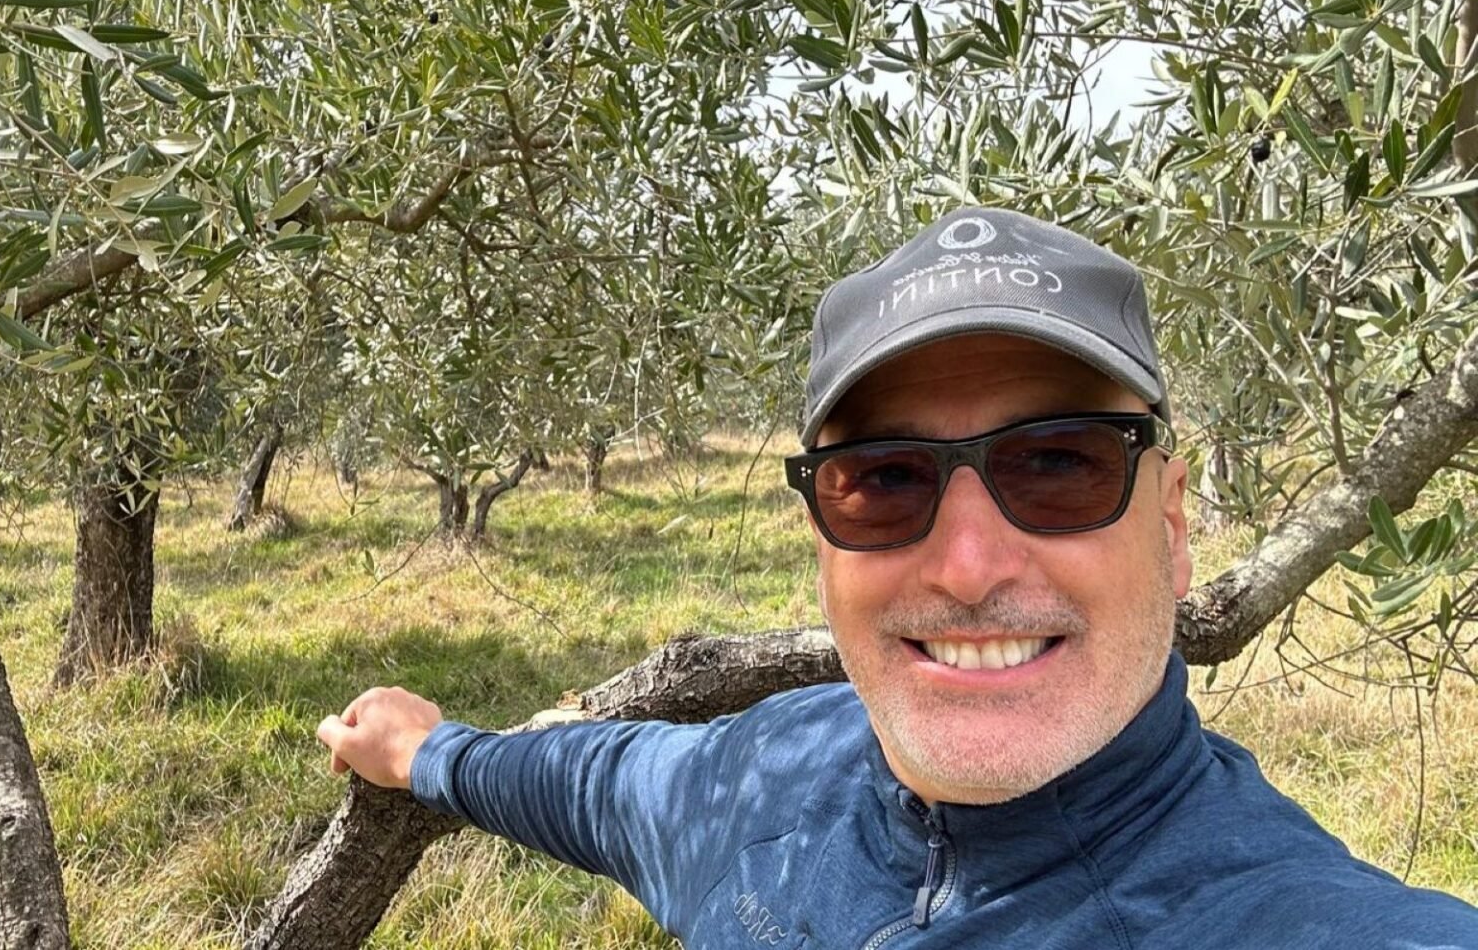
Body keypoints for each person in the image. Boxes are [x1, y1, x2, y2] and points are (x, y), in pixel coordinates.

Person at [315, 208, 1478, 948]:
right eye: (885, 476)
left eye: (1059, 462)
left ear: (1172, 525)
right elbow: (609, 782)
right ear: (822, 536)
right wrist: (434, 754)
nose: (969, 565)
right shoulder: (769, 773)